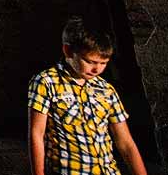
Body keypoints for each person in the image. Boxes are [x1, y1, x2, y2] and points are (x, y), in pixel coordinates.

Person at [28, 16, 149, 175]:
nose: (97, 69)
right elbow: (36, 134)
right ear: (68, 51)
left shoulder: (106, 90)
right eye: (90, 61)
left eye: (103, 63)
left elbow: (126, 143)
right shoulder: (46, 82)